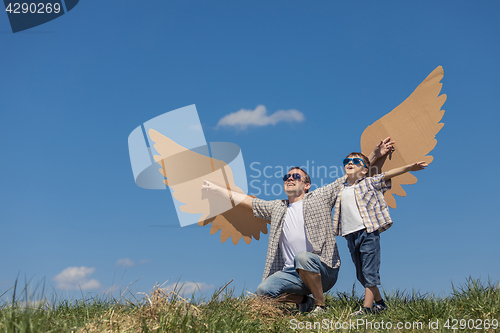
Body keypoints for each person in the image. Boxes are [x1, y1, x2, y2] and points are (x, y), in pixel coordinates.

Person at [202, 138, 394, 315]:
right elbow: (247, 201)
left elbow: (350, 176)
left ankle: (320, 305)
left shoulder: (319, 198)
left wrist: (375, 155)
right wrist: (216, 190)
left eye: (296, 176)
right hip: (291, 274)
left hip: (323, 270)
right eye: (287, 176)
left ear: (307, 185)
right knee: (263, 291)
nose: (290, 178)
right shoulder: (277, 207)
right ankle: (305, 302)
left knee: (302, 257)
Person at [332, 152, 427, 316]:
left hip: (368, 232)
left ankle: (367, 309)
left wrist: (410, 167)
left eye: (355, 161)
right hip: (350, 235)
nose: (350, 162)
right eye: (347, 161)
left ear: (364, 170)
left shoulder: (369, 182)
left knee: (370, 272)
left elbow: (387, 174)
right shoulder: (340, 188)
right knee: (361, 275)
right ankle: (380, 304)